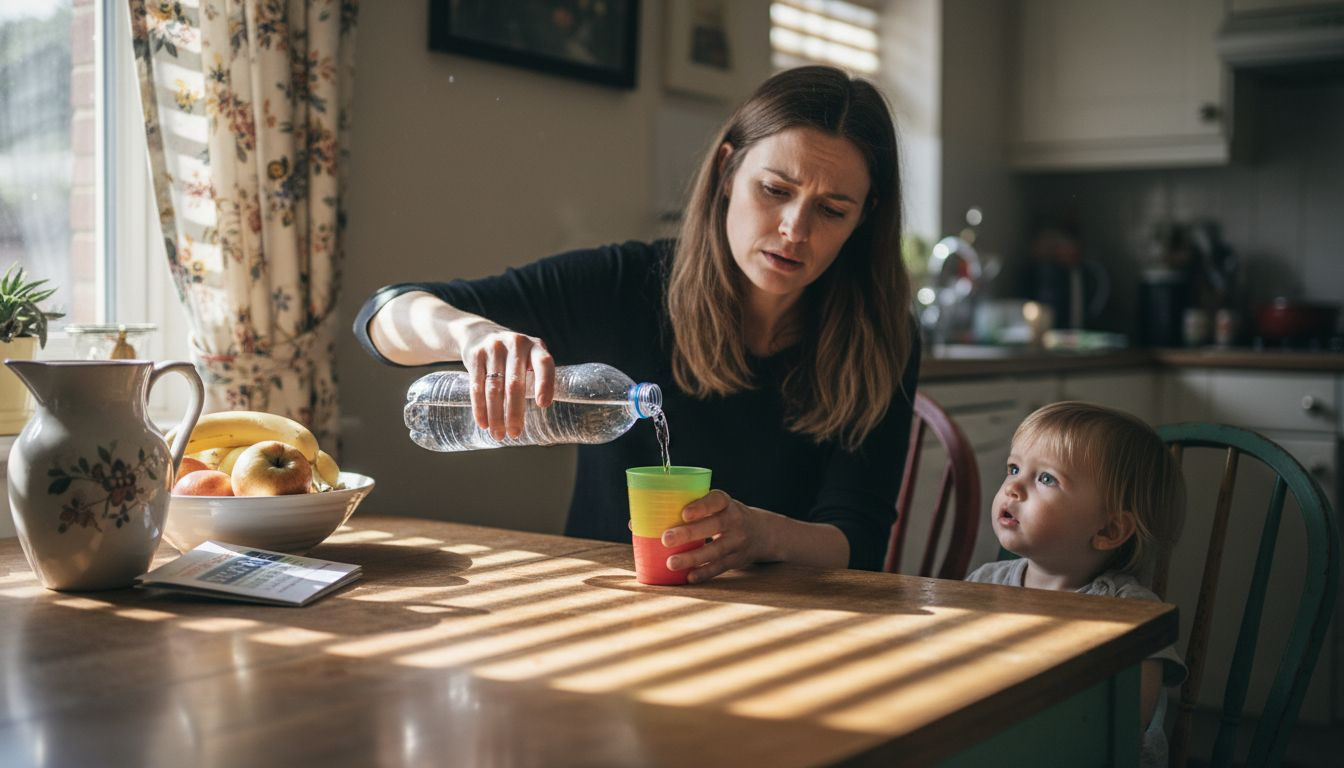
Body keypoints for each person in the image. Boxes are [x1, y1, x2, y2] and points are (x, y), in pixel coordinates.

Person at [354, 66, 919, 584]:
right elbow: (383, 317)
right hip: (604, 610)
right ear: (726, 170)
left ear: (864, 218)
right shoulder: (626, 283)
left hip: (792, 623)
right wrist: (469, 335)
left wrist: (763, 535)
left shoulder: (880, 338)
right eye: (774, 190)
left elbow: (858, 541)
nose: (795, 228)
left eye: (832, 210)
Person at [966, 401, 1187, 768]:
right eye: (1014, 468)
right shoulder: (982, 585)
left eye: (1046, 479)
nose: (1013, 488)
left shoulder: (1130, 613)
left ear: (1108, 530)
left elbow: (1123, 728)